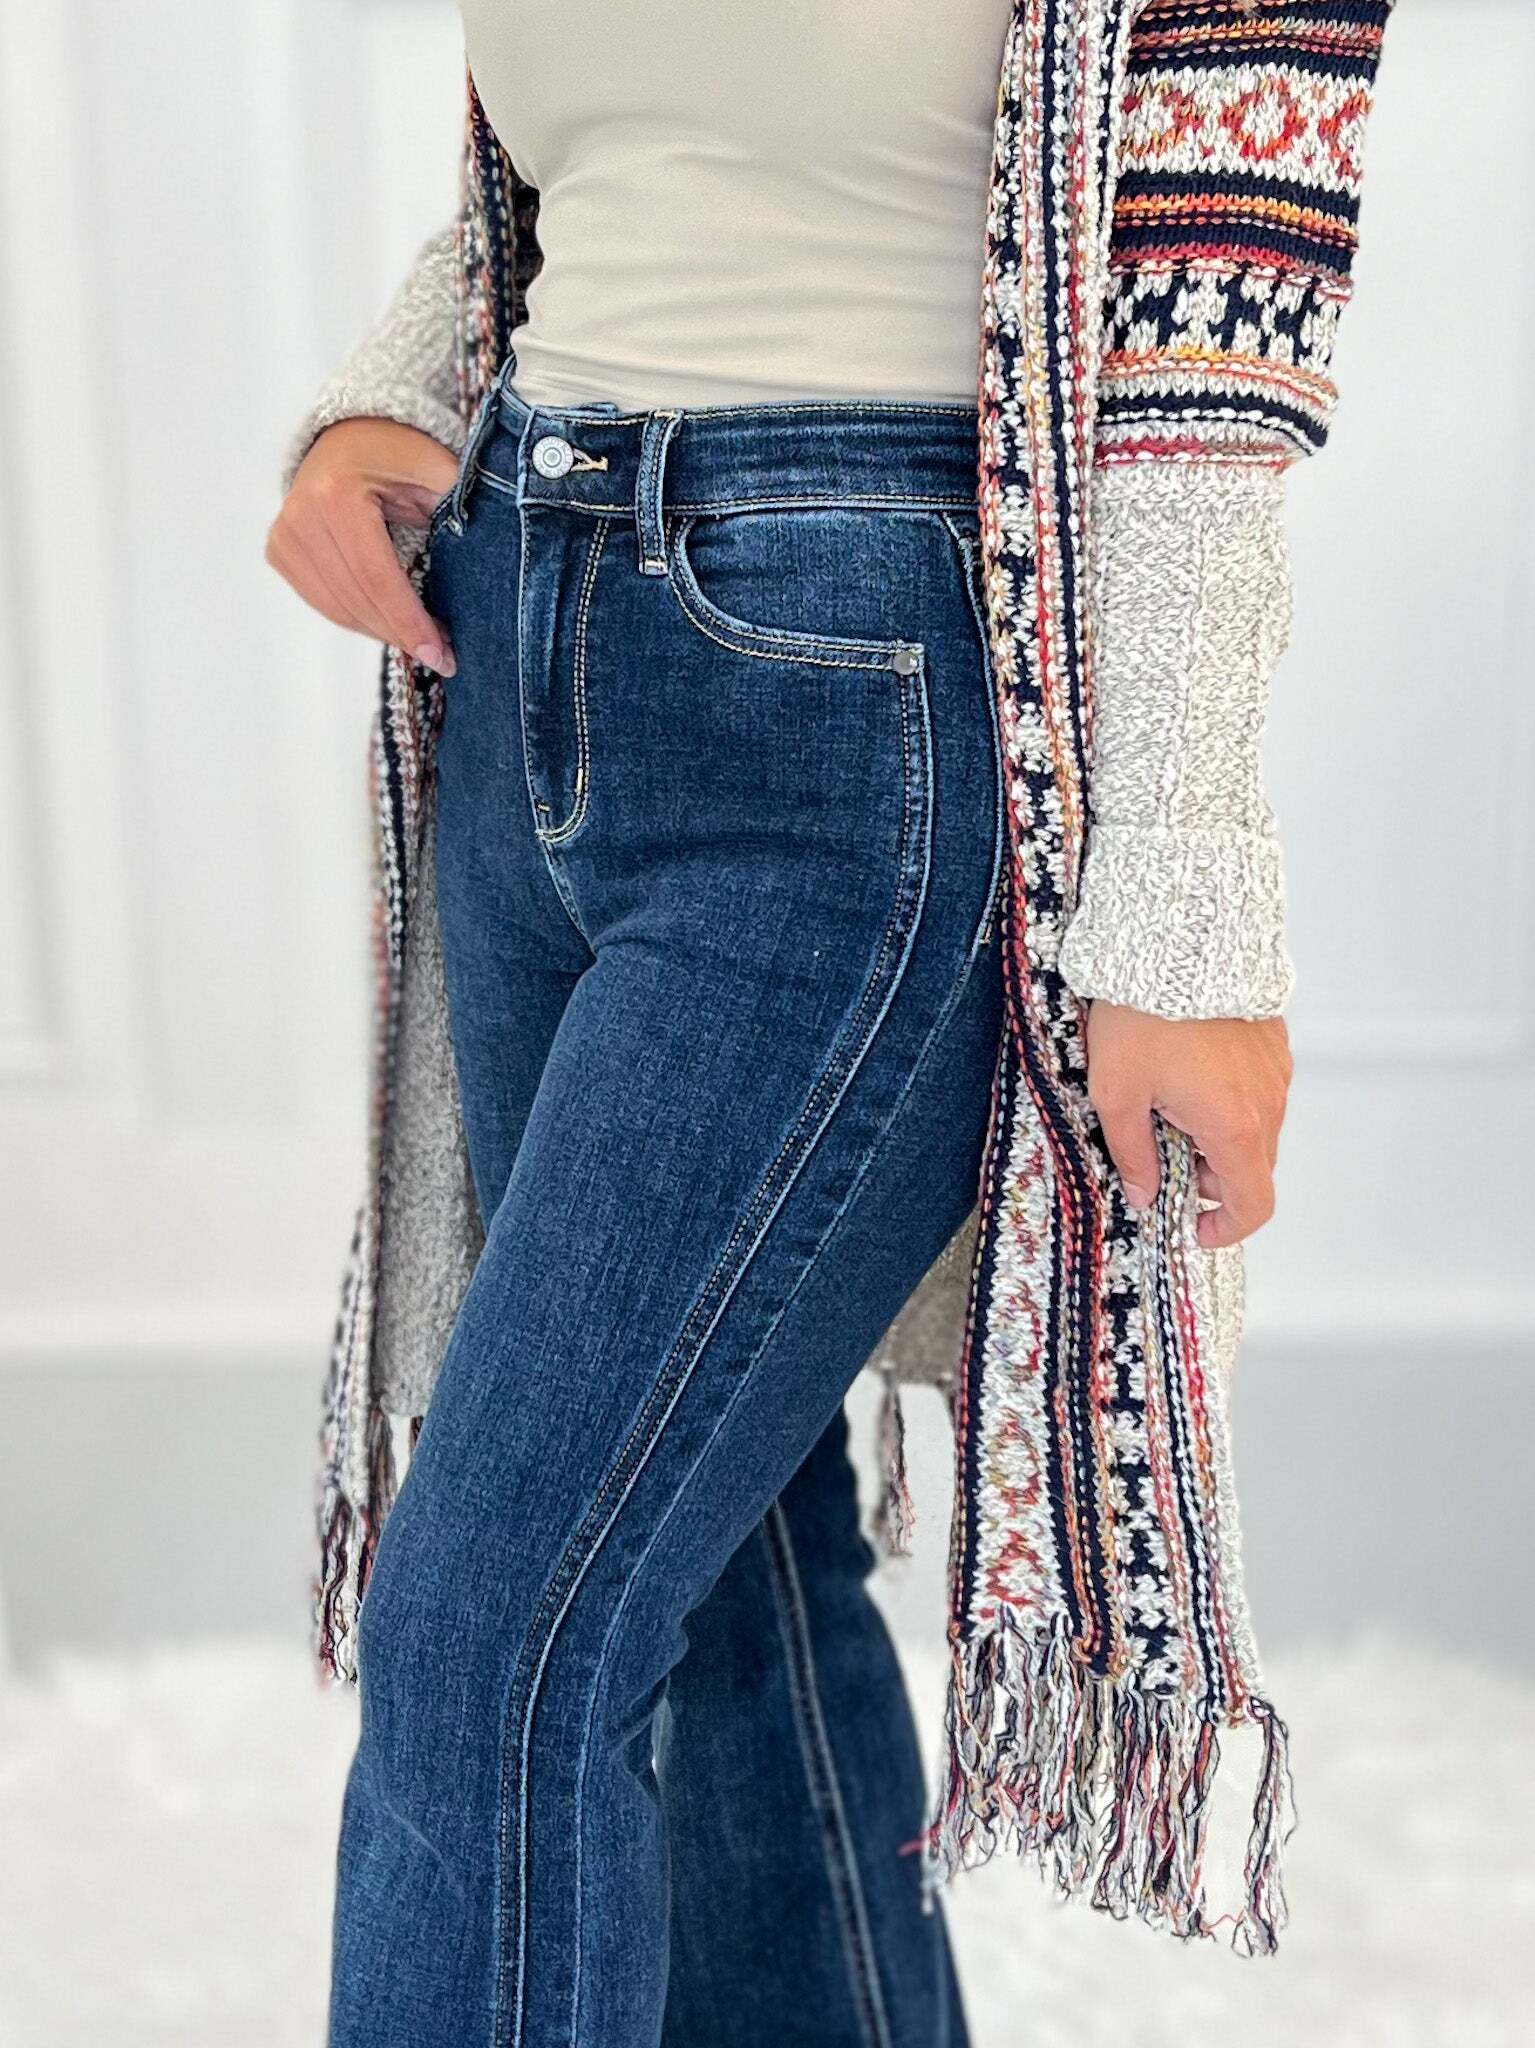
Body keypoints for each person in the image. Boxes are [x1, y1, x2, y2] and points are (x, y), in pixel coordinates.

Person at [268, 3, 1395, 2041]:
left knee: (492, 1637)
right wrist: (392, 403)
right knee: (714, 1575)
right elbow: (617, 169)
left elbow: (1206, 371)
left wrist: (1190, 913)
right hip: (520, 628)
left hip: (857, 702)